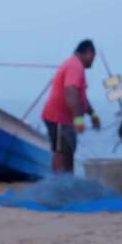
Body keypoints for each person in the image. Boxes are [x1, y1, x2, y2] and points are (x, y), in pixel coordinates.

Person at [42, 40, 100, 173]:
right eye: (93, 57)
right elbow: (71, 92)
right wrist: (78, 120)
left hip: (66, 119)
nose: (93, 60)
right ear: (88, 52)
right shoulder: (74, 66)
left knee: (69, 150)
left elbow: (81, 97)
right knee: (61, 151)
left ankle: (68, 183)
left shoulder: (76, 65)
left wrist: (92, 114)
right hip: (57, 117)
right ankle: (58, 185)